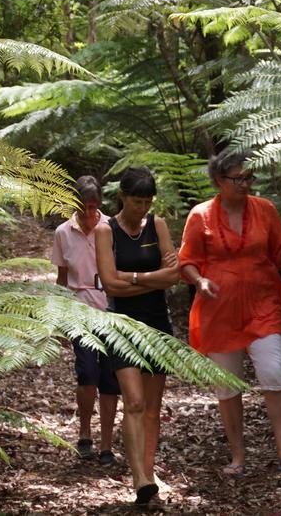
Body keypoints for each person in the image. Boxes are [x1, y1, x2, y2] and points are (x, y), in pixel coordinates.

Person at [178, 151, 281, 477]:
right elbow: (187, 260)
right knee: (228, 385)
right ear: (220, 180)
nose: (247, 184)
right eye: (239, 179)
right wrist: (200, 279)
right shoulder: (201, 215)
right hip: (219, 311)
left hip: (262, 305)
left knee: (274, 372)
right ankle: (238, 457)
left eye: (250, 177)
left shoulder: (265, 210)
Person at [94, 167, 180, 507]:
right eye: (136, 201)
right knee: (133, 401)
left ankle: (149, 478)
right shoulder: (106, 230)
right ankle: (140, 480)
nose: (141, 208)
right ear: (122, 197)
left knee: (152, 409)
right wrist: (149, 277)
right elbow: (110, 284)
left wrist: (132, 278)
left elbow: (173, 276)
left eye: (147, 201)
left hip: (157, 323)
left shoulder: (157, 225)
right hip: (123, 326)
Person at [51, 175, 120, 465]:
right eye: (84, 208)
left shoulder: (111, 228)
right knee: (87, 373)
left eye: (94, 207)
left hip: (112, 309)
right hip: (79, 310)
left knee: (110, 378)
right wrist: (58, 319)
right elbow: (61, 279)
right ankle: (84, 434)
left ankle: (106, 444)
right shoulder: (63, 232)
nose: (90, 214)